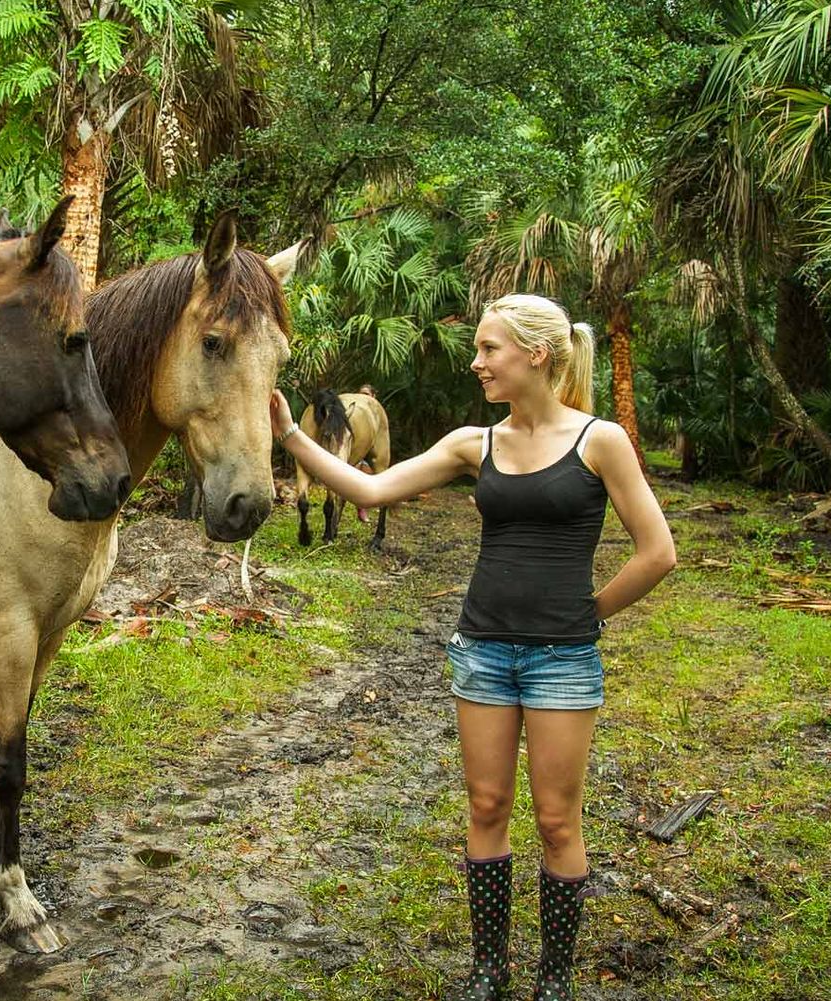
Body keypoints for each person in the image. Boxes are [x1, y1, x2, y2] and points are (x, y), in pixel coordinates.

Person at [270, 294, 676, 1000]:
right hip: (483, 652)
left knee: (556, 820)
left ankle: (553, 979)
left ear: (537, 354)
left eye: (490, 349)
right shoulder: (474, 443)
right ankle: (489, 971)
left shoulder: (599, 440)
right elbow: (371, 485)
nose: (477, 361)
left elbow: (657, 551)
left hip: (561, 660)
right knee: (486, 807)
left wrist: (591, 614)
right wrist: (292, 438)